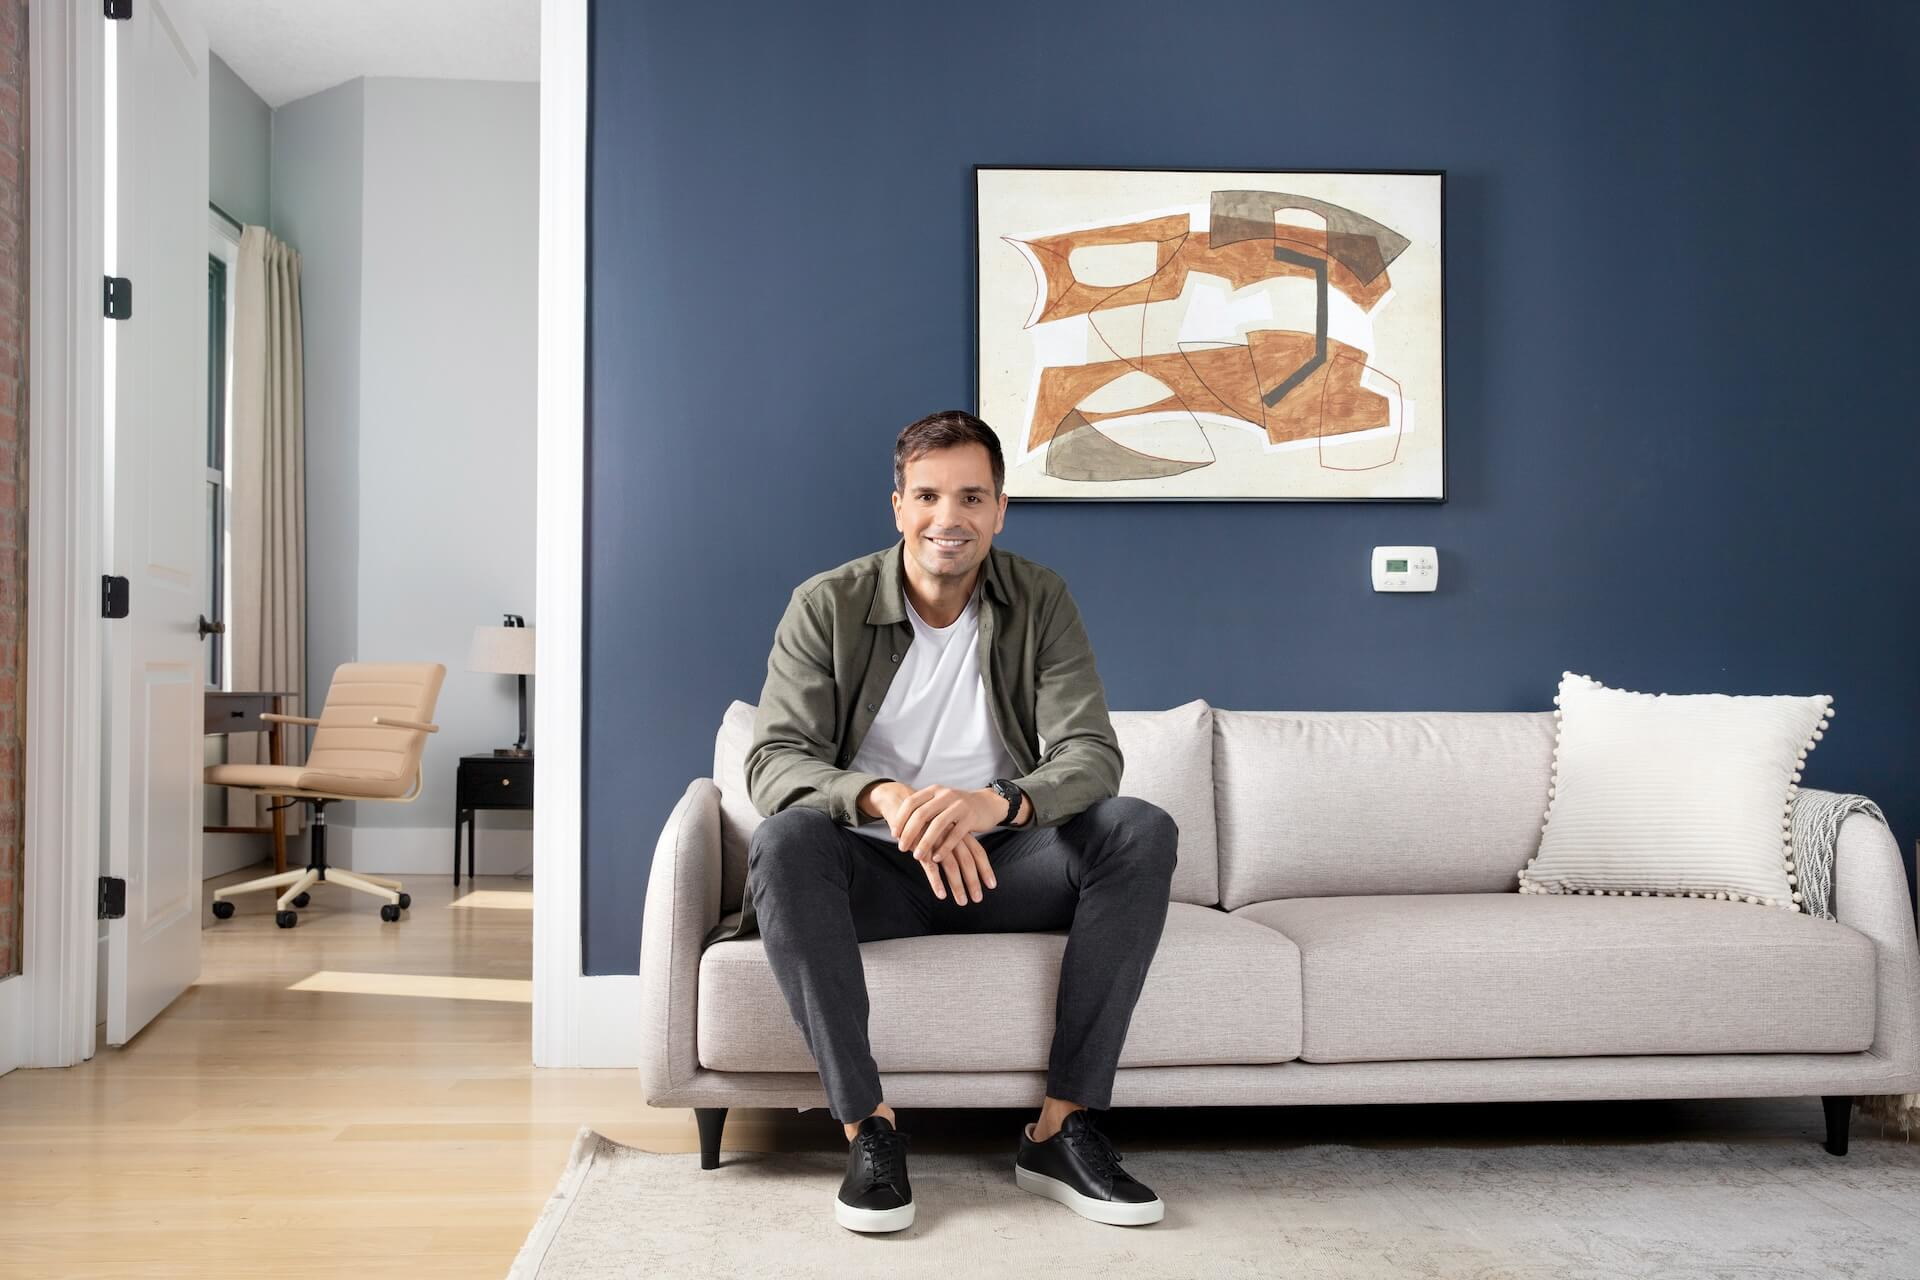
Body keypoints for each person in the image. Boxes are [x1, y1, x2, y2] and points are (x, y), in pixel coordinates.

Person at [707, 409, 1179, 1233]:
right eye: (927, 496)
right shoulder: (826, 605)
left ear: (1000, 510)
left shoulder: (1040, 598)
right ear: (898, 506)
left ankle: (1060, 1130)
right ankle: (868, 1128)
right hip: (871, 874)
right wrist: (884, 797)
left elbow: (1091, 753)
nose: (948, 518)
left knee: (1140, 827)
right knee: (785, 841)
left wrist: (994, 802)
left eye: (971, 497)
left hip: (1003, 866)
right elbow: (774, 761)